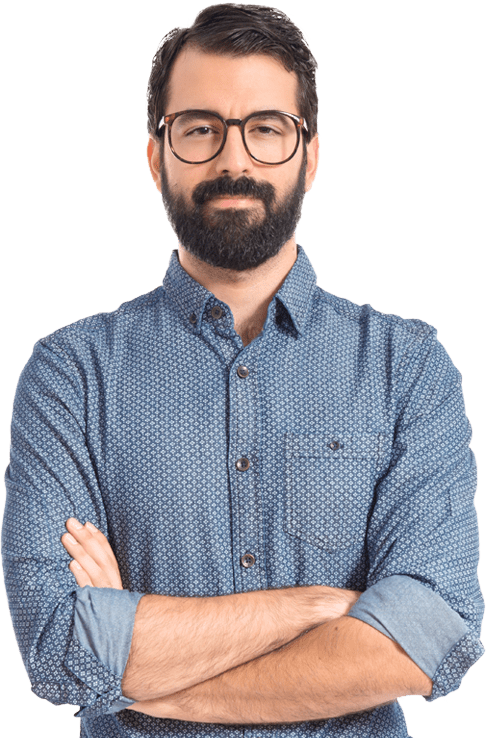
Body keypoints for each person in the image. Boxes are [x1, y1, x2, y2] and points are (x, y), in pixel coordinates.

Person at [2, 4, 483, 737]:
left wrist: (144, 680)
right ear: (157, 155)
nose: (235, 161)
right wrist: (315, 608)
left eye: (267, 128)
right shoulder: (71, 375)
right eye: (200, 129)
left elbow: (427, 631)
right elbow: (57, 644)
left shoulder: (407, 368)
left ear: (309, 155)